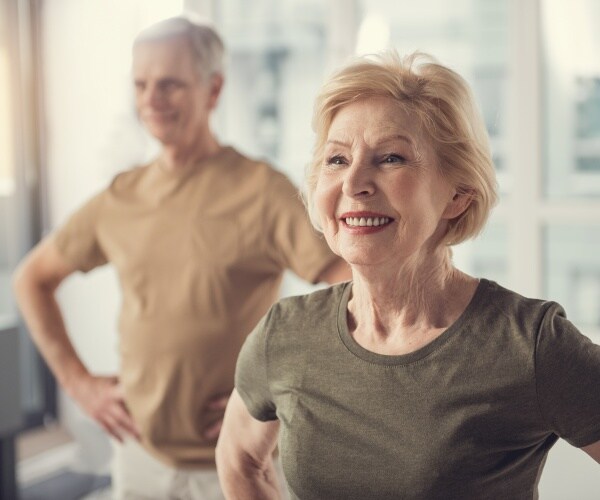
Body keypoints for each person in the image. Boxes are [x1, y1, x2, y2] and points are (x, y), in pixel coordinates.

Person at [215, 51, 600, 499]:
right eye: (337, 160)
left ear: (457, 194)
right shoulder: (285, 333)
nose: (354, 183)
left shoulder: (529, 344)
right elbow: (239, 460)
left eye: (391, 158)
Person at [12, 16, 349, 500]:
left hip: (240, 462)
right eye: (141, 84)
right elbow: (32, 279)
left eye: (169, 84)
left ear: (213, 90)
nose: (152, 99)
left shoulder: (263, 191)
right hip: (138, 457)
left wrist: (285, 386)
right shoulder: (120, 197)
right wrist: (80, 385)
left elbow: (352, 291)